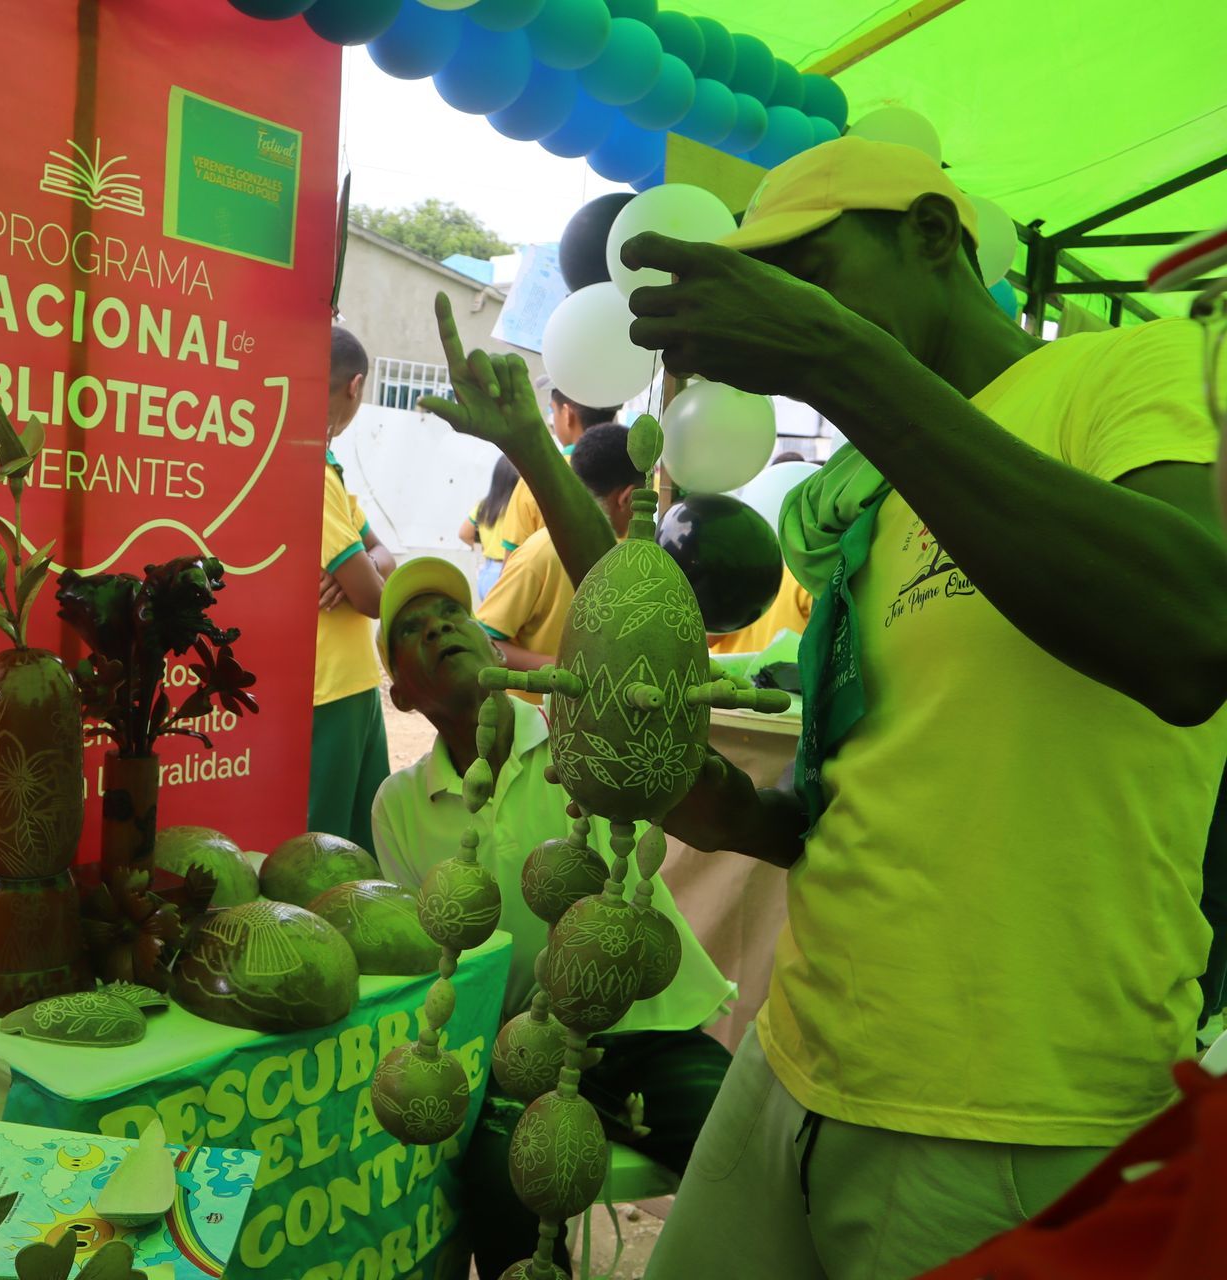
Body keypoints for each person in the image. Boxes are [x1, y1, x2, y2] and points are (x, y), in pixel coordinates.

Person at [421, 135, 1227, 1278]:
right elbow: (825, 806)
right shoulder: (890, 485)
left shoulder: (1135, 370)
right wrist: (712, 800)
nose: (789, 311)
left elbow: (1196, 631)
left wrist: (837, 357)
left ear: (933, 238)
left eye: (814, 272)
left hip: (1003, 1110)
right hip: (798, 1049)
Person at [371, 556, 734, 1279]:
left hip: (647, 1030)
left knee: (747, 1158)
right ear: (401, 696)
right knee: (501, 1195)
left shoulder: (580, 731)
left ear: (494, 646)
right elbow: (436, 958)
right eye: (410, 629)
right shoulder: (400, 805)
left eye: (452, 612)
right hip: (522, 1053)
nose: (438, 625)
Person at [312, 326, 395, 852]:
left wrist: (361, 566)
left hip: (353, 682)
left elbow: (385, 557)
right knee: (324, 848)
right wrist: (364, 574)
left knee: (363, 842)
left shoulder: (329, 470)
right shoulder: (308, 472)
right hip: (324, 687)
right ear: (357, 386)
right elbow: (376, 596)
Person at [479, 423, 641, 676]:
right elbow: (485, 642)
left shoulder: (625, 555)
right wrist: (567, 670)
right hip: (536, 714)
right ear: (627, 498)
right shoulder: (543, 550)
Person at [493, 387, 619, 556]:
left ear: (567, 414)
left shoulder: (537, 476)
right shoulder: (629, 475)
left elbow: (513, 559)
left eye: (553, 410)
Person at [458, 453, 518, 600]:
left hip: (487, 572)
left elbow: (464, 533)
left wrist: (483, 550)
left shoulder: (483, 506)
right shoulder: (517, 509)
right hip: (508, 571)